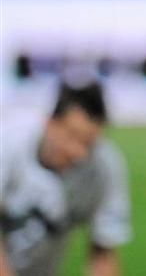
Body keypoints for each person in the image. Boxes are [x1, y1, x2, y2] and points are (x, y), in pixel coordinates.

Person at [0, 81, 131, 276]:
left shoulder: (104, 166)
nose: (79, 152)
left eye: (88, 143)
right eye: (72, 136)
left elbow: (104, 249)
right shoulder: (7, 145)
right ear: (49, 123)